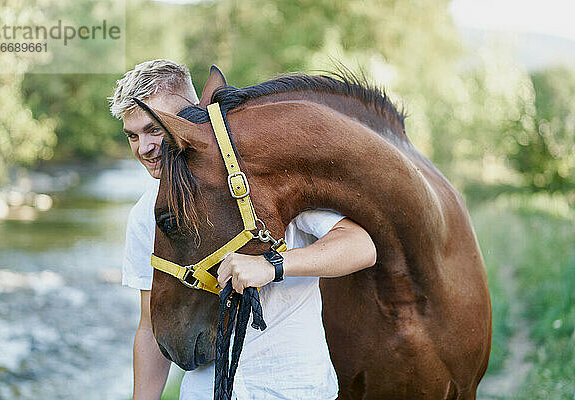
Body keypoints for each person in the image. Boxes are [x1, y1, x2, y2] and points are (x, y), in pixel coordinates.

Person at [109, 59, 377, 400]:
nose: (143, 148)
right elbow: (149, 327)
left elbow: (360, 246)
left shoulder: (266, 178)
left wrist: (272, 265)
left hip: (293, 388)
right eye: (133, 135)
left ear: (197, 113)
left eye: (155, 129)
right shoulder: (145, 214)